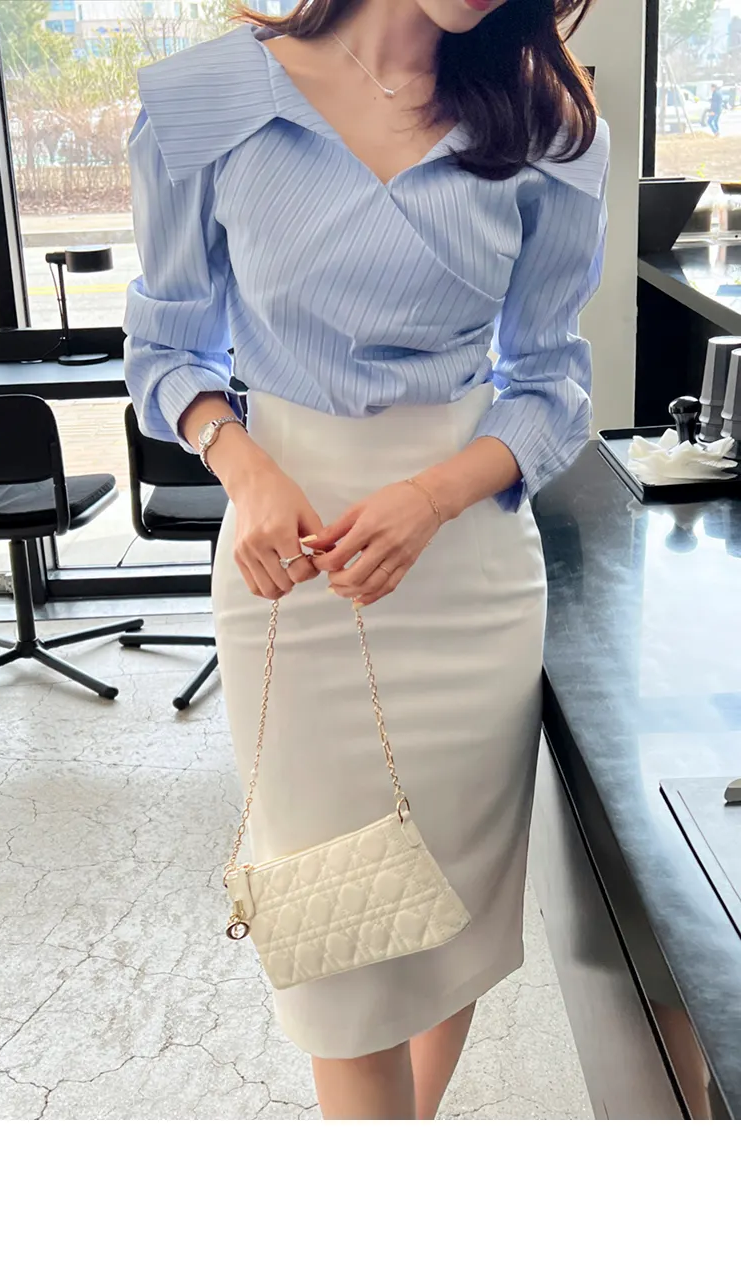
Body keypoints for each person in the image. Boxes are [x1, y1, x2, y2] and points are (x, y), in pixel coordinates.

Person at [124, 0, 609, 1121]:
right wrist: (243, 467)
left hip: (469, 576)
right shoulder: (204, 99)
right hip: (288, 567)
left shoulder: (543, 118)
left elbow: (551, 386)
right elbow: (165, 348)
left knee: (447, 920)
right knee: (333, 942)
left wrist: (432, 497)